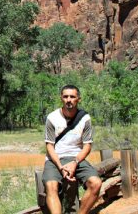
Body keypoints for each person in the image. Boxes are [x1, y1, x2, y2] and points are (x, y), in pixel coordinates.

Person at [43, 85, 102, 214]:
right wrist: (60, 166)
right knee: (51, 186)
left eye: (72, 97)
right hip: (55, 159)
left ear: (78, 99)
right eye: (65, 96)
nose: (68, 100)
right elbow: (49, 146)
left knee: (96, 183)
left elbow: (87, 146)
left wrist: (75, 163)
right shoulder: (52, 118)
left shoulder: (85, 118)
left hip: (77, 158)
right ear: (61, 98)